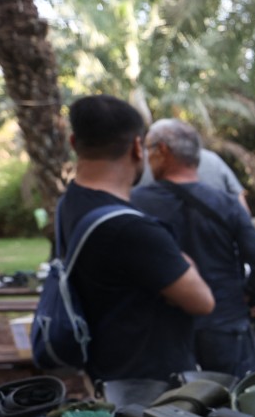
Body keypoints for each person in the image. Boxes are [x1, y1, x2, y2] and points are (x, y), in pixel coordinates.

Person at [59, 95, 214, 382]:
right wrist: (184, 261)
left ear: (73, 143)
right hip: (150, 387)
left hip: (103, 371)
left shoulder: (68, 204)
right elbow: (201, 301)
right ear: (136, 147)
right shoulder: (133, 229)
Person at [131, 118, 255, 377]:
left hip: (162, 326)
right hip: (226, 322)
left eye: (148, 149)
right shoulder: (227, 204)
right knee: (234, 403)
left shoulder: (135, 204)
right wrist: (250, 295)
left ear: (163, 150)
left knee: (171, 408)